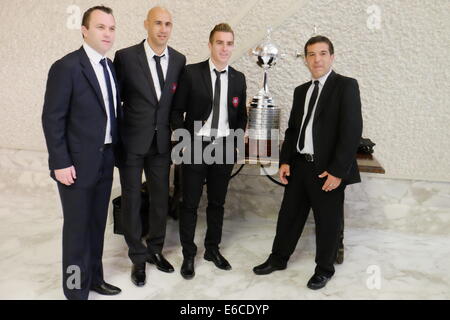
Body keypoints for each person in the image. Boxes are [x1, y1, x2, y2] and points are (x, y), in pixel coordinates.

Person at [253, 36, 363, 290]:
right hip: (300, 165)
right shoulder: (301, 90)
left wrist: (337, 171)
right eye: (311, 54)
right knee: (288, 216)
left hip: (327, 170)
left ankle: (324, 269)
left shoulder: (345, 86)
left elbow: (351, 132)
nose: (317, 59)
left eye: (322, 53)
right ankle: (278, 259)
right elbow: (293, 130)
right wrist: (285, 161)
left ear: (332, 57)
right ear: (305, 60)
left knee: (328, 222)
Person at [42, 6, 122, 299]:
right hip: (74, 166)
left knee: (97, 225)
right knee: (77, 231)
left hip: (104, 160)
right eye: (101, 27)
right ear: (84, 30)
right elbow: (52, 118)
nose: (107, 33)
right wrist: (60, 162)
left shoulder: (109, 66)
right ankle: (76, 290)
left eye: (111, 28)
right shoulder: (67, 67)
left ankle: (94, 279)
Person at [113, 7, 186, 287]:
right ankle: (138, 256)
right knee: (132, 200)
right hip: (132, 142)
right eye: (158, 23)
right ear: (146, 25)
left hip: (161, 144)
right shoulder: (126, 57)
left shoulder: (179, 60)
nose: (163, 29)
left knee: (160, 199)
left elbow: (174, 105)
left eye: (168, 24)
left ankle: (156, 248)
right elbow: (115, 101)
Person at [170, 23, 247, 279]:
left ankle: (212, 249)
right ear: (210, 44)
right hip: (196, 144)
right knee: (189, 203)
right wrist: (184, 143)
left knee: (217, 202)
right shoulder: (191, 73)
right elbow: (176, 111)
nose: (224, 48)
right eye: (219, 43)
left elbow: (241, 116)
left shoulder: (238, 78)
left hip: (223, 145)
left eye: (229, 43)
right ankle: (189, 254)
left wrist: (235, 142)